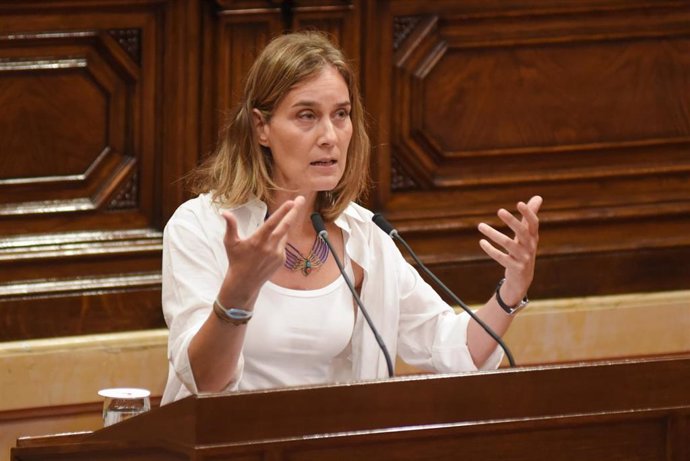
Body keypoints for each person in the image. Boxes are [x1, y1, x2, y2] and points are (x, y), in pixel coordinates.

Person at [160, 31, 542, 404]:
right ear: (261, 127)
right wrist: (237, 293)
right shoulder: (200, 228)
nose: (329, 136)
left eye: (340, 115)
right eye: (306, 115)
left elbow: (453, 347)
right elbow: (205, 383)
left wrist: (512, 288)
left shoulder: (365, 236)